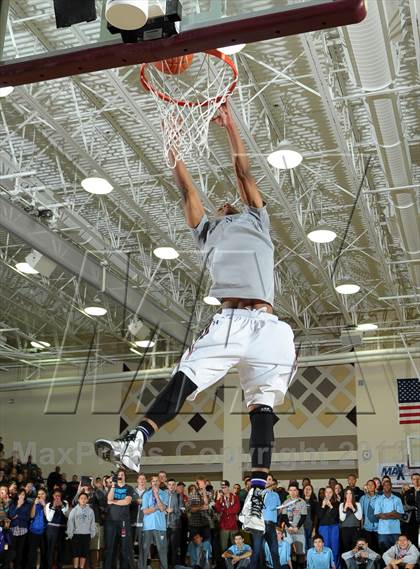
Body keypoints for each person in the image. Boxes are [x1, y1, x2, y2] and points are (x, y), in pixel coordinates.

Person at [94, 101, 297, 534]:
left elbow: (243, 173)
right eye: (219, 205)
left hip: (270, 327)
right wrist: (174, 150)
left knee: (263, 408)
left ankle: (256, 498)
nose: (225, 203)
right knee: (186, 376)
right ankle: (136, 440)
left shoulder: (257, 220)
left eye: (232, 202)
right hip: (230, 321)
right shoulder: (207, 231)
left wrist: (230, 126)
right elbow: (188, 192)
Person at [103, 468, 134, 569]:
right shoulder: (112, 487)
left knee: (124, 548)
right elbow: (109, 499)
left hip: (124, 521)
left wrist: (113, 502)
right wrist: (112, 485)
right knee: (109, 548)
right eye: (119, 475)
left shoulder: (129, 488)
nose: (121, 476)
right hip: (111, 522)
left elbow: (127, 501)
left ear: (125, 476)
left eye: (122, 475)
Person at [250, 474, 282, 569]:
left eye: (270, 479)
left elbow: (279, 510)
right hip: (259, 525)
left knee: (274, 551)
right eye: (266, 479)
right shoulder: (258, 493)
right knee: (257, 551)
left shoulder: (276, 494)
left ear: (272, 482)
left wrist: (279, 510)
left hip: (271, 525)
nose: (268, 481)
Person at [141, 475, 169, 569]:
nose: (155, 483)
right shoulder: (146, 495)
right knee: (144, 549)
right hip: (147, 526)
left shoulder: (164, 494)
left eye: (157, 481)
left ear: (159, 483)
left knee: (162, 550)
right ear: (151, 483)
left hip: (160, 526)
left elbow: (162, 508)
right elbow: (145, 511)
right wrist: (156, 507)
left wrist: (157, 495)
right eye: (153, 481)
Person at [67, 492, 96, 569]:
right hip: (76, 535)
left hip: (86, 534)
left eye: (85, 498)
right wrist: (70, 533)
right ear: (78, 500)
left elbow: (92, 523)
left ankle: (81, 567)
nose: (83, 500)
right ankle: (76, 567)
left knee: (84, 553)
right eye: (81, 498)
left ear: (87, 500)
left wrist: (93, 533)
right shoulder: (74, 510)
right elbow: (70, 522)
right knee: (76, 553)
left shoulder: (90, 511)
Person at [373, 479, 404, 554]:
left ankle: (395, 565)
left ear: (391, 486)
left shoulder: (397, 499)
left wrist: (384, 514)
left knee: (397, 552)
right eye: (385, 485)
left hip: (395, 530)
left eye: (388, 485)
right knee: (384, 552)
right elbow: (377, 515)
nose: (387, 486)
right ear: (382, 487)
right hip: (383, 531)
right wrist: (392, 513)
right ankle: (385, 566)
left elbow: (399, 515)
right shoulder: (378, 499)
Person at [281, 482, 307, 569]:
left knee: (300, 553)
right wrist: (289, 527)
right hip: (288, 531)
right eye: (291, 490)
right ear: (288, 491)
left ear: (297, 491)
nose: (292, 492)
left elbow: (304, 516)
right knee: (288, 552)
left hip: (299, 531)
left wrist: (297, 527)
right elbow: (284, 516)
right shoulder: (285, 502)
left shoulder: (302, 502)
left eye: (294, 490)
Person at [317, 486, 341, 569]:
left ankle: (336, 567)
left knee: (335, 549)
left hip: (334, 527)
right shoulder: (319, 503)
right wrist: (323, 506)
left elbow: (336, 516)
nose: (328, 494)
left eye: (330, 492)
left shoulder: (337, 503)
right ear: (324, 493)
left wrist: (331, 506)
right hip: (323, 527)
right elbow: (319, 517)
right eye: (326, 492)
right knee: (325, 548)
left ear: (333, 493)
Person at [44, 489, 69, 569]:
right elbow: (49, 518)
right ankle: (49, 565)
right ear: (53, 496)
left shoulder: (65, 503)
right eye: (56, 496)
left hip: (62, 528)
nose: (57, 497)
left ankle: (59, 566)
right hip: (51, 528)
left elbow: (67, 515)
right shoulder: (49, 504)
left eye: (59, 496)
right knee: (50, 549)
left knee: (61, 549)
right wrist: (54, 507)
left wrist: (62, 506)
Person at [215, 481, 240, 552]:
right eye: (222, 488)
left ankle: (236, 561)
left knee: (235, 546)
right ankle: (225, 562)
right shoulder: (220, 498)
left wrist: (225, 510)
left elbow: (236, 509)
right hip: (224, 525)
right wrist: (217, 499)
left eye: (225, 487)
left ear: (228, 487)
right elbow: (218, 509)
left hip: (233, 525)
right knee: (224, 547)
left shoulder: (234, 497)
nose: (223, 489)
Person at [8, 488, 31, 569]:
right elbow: (11, 515)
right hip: (13, 530)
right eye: (20, 494)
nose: (21, 496)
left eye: (23, 494)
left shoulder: (28, 504)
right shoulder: (13, 503)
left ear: (25, 496)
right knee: (12, 551)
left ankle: (17, 566)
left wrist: (18, 516)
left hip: (23, 530)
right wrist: (18, 506)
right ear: (17, 495)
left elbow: (27, 518)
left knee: (20, 551)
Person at [27, 488, 48, 569]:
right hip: (33, 531)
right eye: (39, 494)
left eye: (42, 494)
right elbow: (31, 516)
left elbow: (48, 517)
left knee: (44, 552)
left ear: (45, 495)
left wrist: (44, 505)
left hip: (43, 532)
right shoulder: (34, 503)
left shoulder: (48, 505)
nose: (40, 496)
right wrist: (35, 505)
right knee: (32, 552)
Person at [187, 478, 213, 543]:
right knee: (194, 544)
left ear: (205, 484)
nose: (199, 485)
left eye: (201, 483)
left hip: (206, 524)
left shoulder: (209, 494)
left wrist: (204, 490)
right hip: (194, 524)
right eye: (198, 483)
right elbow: (191, 509)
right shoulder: (191, 494)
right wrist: (201, 507)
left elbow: (206, 503)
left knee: (206, 544)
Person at [339, 488, 363, 552]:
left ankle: (355, 562)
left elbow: (359, 517)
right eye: (347, 493)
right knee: (346, 548)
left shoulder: (358, 504)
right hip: (345, 529)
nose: (349, 495)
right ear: (345, 495)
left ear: (353, 495)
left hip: (355, 529)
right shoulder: (341, 505)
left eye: (350, 493)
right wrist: (345, 508)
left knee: (355, 548)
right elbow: (342, 518)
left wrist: (352, 508)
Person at [132, 473, 147, 569]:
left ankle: (142, 566)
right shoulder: (131, 491)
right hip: (131, 524)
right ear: (137, 480)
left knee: (143, 547)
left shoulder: (148, 493)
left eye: (143, 479)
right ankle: (131, 565)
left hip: (144, 524)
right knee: (129, 546)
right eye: (140, 479)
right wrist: (135, 502)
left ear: (145, 481)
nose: (141, 480)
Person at [166, 478, 183, 568]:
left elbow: (182, 510)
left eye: (173, 484)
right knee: (165, 547)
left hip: (175, 525)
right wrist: (164, 510)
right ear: (167, 485)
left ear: (175, 486)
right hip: (164, 525)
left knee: (174, 547)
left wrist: (173, 510)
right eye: (170, 484)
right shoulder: (163, 494)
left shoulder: (178, 496)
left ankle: (174, 565)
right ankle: (166, 565)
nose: (171, 486)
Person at [360, 481, 379, 552]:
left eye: (372, 485)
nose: (370, 486)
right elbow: (361, 514)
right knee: (368, 548)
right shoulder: (363, 498)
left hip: (378, 527)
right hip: (367, 527)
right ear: (366, 487)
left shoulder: (380, 498)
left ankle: (378, 562)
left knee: (378, 547)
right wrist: (361, 526)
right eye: (368, 485)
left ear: (375, 486)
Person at [303, 484, 318, 551]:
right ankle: (304, 561)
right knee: (304, 546)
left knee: (311, 545)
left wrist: (314, 529)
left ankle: (311, 560)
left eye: (309, 489)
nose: (307, 491)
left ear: (312, 491)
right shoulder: (299, 501)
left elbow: (316, 517)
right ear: (303, 490)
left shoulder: (315, 502)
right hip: (301, 526)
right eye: (306, 489)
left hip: (311, 526)